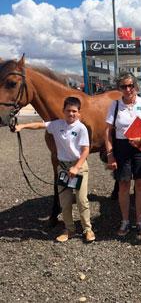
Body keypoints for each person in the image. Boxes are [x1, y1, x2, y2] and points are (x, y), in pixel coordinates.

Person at [15, 96, 95, 243]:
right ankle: (69, 229)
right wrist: (22, 127)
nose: (71, 114)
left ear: (78, 112)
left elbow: (85, 151)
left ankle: (87, 229)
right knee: (64, 202)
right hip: (63, 168)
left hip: (79, 167)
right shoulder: (57, 124)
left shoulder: (81, 128)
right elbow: (39, 125)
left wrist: (76, 167)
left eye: (74, 111)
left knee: (82, 200)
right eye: (68, 111)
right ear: (63, 111)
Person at [104, 72, 141, 239]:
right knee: (123, 184)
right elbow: (107, 132)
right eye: (124, 86)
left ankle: (139, 221)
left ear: (135, 86)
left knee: (140, 185)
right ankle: (124, 221)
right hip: (122, 148)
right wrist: (110, 154)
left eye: (131, 85)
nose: (128, 89)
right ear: (119, 88)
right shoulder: (115, 105)